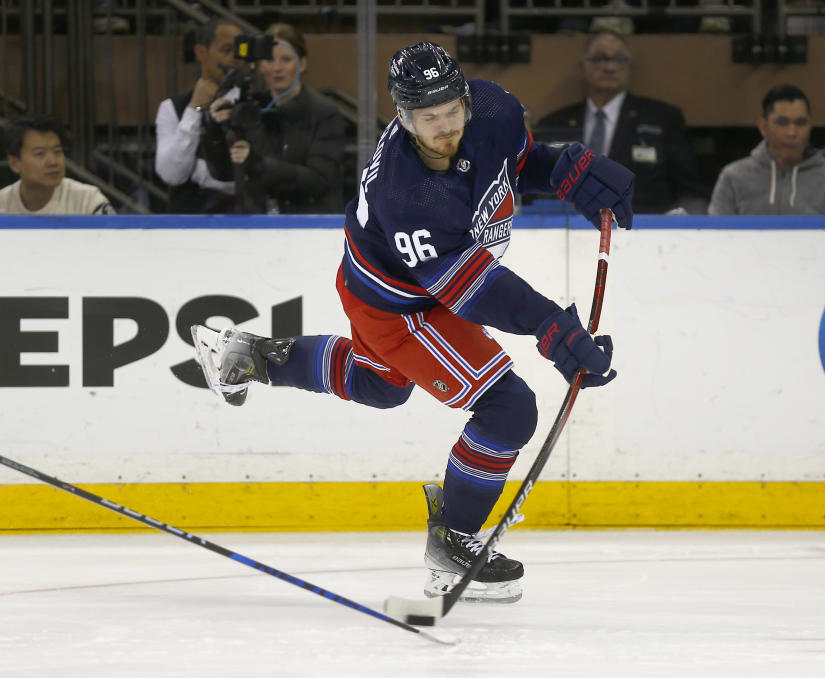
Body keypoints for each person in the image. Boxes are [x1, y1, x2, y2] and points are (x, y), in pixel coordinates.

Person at [191, 42, 633, 603]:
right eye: (429, 118)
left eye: (453, 111)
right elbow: (473, 290)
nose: (446, 126)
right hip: (399, 303)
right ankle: (454, 545)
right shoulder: (407, 191)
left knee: (382, 385)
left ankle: (246, 355)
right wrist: (551, 327)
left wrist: (567, 170)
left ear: (467, 98)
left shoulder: (492, 108)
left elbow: (516, 161)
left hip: (395, 284)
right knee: (507, 407)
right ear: (403, 117)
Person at [536, 30, 706, 214]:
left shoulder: (662, 119)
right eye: (600, 59)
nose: (610, 67)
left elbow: (692, 193)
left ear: (629, 67)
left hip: (643, 230)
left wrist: (679, 217)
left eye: (618, 59)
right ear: (582, 67)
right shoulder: (555, 124)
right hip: (564, 231)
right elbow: (534, 188)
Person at [202, 23, 345, 214]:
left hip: (310, 225)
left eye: (286, 59)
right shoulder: (250, 108)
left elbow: (319, 179)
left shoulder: (325, 113)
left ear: (302, 64)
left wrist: (258, 165)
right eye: (269, 60)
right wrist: (213, 131)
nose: (277, 68)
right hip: (257, 226)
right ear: (261, 65)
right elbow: (223, 173)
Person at [709, 84, 825, 215]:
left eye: (801, 123)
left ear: (810, 126)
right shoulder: (733, 178)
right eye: (782, 123)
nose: (792, 132)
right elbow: (715, 238)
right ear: (763, 126)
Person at [154, 17, 243, 214]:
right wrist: (195, 108)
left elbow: (256, 177)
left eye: (239, 50)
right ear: (201, 52)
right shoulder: (171, 108)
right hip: (188, 223)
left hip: (246, 220)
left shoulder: (254, 105)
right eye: (226, 50)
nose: (235, 57)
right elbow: (171, 175)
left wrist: (199, 172)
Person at [0, 114, 114, 215]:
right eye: (40, 154)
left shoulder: (88, 201)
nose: (53, 162)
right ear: (15, 164)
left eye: (57, 152)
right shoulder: (3, 203)